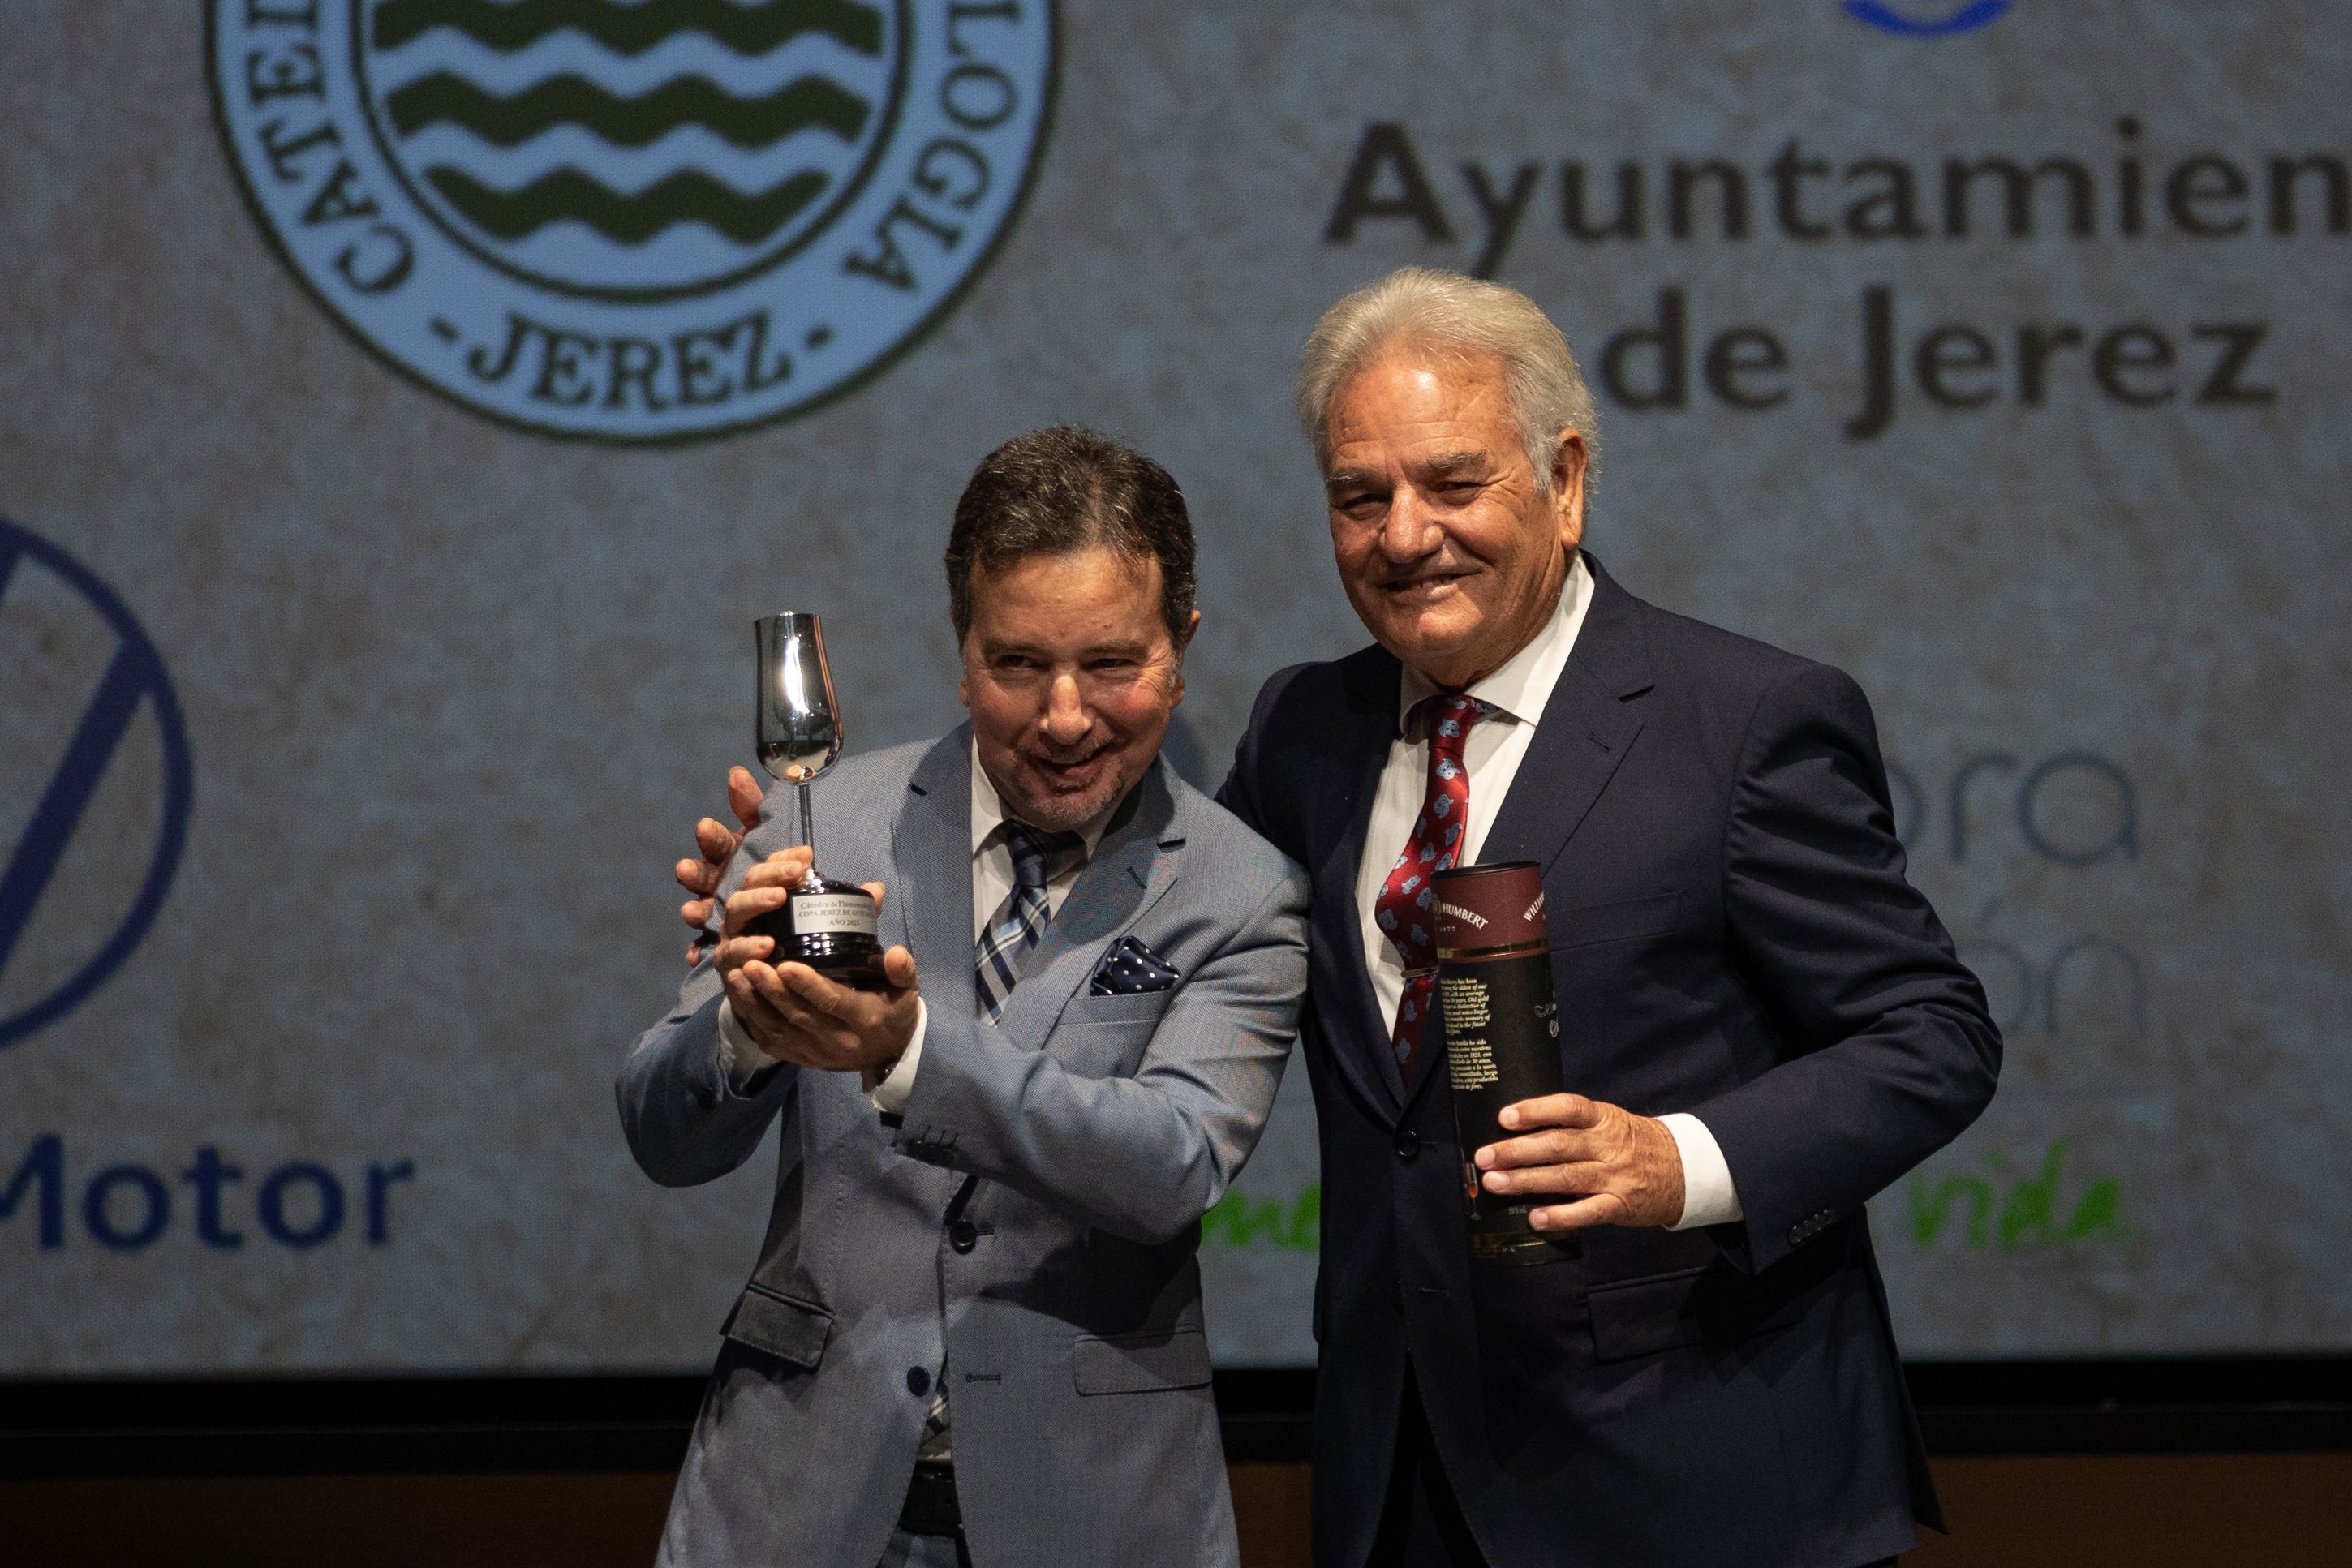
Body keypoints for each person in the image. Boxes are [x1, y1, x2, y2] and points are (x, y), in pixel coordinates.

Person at [1212, 267, 2002, 1567]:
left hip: (1699, 1479)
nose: (1405, 536)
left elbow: (1934, 1034)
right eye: (1362, 498)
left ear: (1565, 478)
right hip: (1400, 1479)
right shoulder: (1303, 731)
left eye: (1453, 484)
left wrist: (1678, 1162)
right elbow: (1183, 943)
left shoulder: (1743, 721)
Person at [620, 427, 1309, 1568]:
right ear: (962, 648)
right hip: (796, 1497)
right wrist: (747, 1027)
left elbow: (1173, 1164)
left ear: (1182, 644)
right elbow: (661, 1133)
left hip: (1093, 1506)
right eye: (1020, 663)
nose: (1067, 715)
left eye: (1112, 663)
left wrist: (904, 1053)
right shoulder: (821, 825)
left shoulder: (1243, 888)